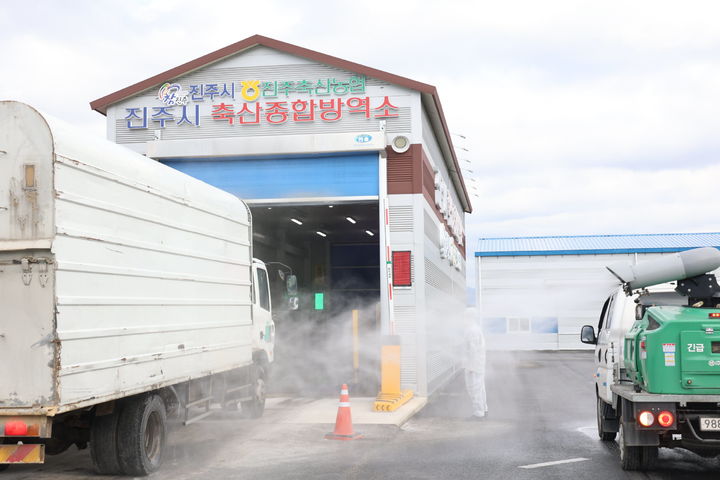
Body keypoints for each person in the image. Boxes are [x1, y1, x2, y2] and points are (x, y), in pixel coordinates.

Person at [464, 313, 487, 420]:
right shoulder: (475, 329)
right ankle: (483, 408)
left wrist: (471, 366)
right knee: (480, 387)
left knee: (474, 388)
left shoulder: (472, 331)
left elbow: (473, 350)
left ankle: (478, 412)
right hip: (477, 363)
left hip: (474, 364)